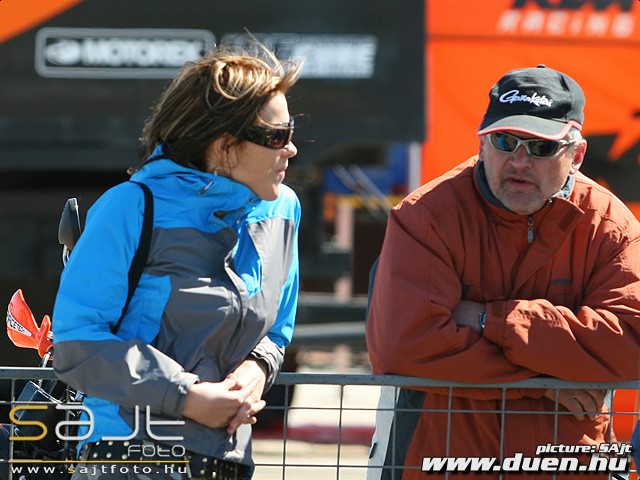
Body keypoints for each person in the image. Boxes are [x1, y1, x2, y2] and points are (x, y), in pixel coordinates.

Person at [366, 65, 640, 479]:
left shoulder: (609, 225)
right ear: (482, 143)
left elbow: (630, 345)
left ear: (577, 155)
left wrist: (487, 319)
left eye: (541, 147)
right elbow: (403, 348)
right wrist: (546, 380)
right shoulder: (425, 216)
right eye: (505, 141)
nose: (519, 161)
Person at [52, 43, 302, 480]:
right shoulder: (129, 207)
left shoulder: (284, 210)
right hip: (128, 457)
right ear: (224, 146)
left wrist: (256, 370)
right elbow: (77, 343)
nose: (292, 149)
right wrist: (186, 396)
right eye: (278, 136)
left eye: (291, 131)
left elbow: (277, 332)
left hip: (227, 461)